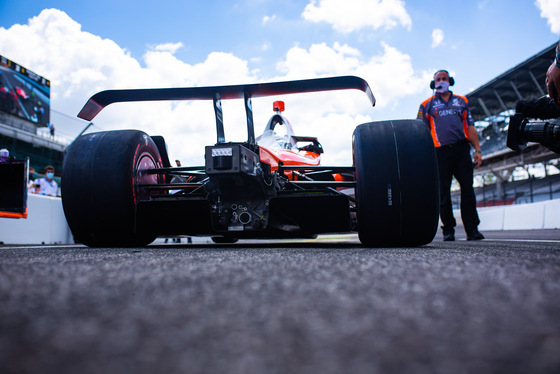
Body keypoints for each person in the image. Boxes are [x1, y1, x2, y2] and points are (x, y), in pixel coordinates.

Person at [417, 70, 484, 241]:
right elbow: (420, 131)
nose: (441, 81)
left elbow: (470, 126)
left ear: (450, 81)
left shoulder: (462, 101)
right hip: (439, 152)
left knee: (468, 189)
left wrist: (477, 150)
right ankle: (448, 230)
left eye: (444, 79)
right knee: (443, 192)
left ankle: (472, 229)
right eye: (437, 79)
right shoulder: (426, 105)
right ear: (433, 84)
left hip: (461, 150)